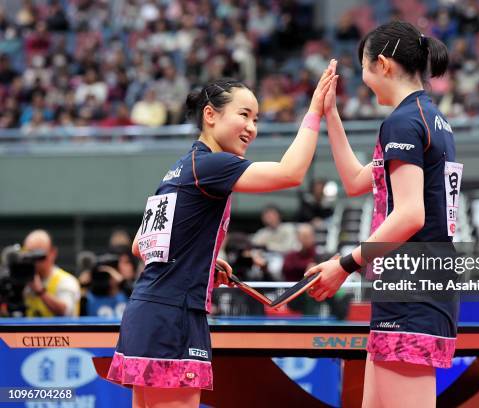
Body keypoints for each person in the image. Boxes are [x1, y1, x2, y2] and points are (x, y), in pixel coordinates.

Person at [106, 61, 338, 407]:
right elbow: (291, 173)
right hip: (175, 317)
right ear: (210, 115)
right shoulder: (212, 165)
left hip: (149, 311)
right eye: (244, 115)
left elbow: (142, 246)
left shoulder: (180, 168)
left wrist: (205, 260)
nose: (251, 127)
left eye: (256, 119)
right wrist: (315, 112)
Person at [306, 22, 460, 407]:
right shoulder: (426, 117)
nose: (361, 77)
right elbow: (358, 182)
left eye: (363, 66)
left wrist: (345, 264)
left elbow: (410, 214)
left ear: (384, 65)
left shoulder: (405, 122)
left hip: (413, 292)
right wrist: (331, 116)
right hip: (407, 289)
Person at [22, 229, 81, 317]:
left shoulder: (66, 281)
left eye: (39, 255)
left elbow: (66, 312)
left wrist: (40, 291)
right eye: (29, 254)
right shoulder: (21, 278)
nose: (34, 261)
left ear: (53, 253)